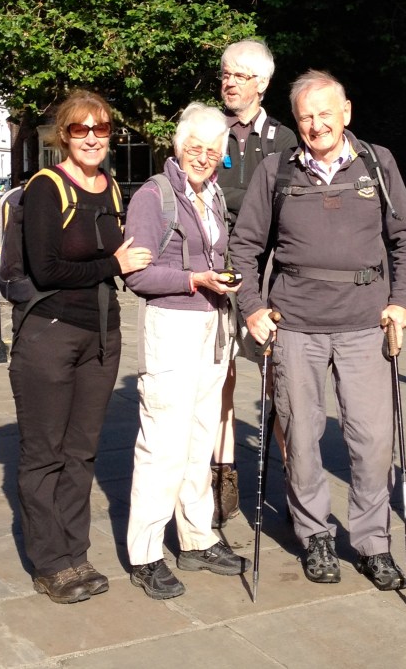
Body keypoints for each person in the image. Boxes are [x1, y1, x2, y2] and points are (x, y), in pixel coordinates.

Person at [230, 69, 406, 590]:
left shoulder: (377, 163)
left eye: (325, 113)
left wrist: (401, 303)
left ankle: (372, 542)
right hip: (296, 327)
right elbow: (244, 248)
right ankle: (315, 535)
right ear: (297, 122)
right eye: (306, 116)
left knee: (371, 439)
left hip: (365, 325)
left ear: (347, 113)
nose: (316, 125)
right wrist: (252, 308)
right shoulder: (277, 171)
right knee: (302, 436)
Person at [8, 90, 152, 604]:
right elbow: (47, 269)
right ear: (62, 135)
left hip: (101, 335)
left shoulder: (111, 187)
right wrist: (117, 265)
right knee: (44, 453)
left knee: (81, 452)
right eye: (80, 129)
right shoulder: (46, 188)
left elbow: (125, 254)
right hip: (50, 332)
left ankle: (77, 553)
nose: (92, 137)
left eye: (102, 128)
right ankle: (50, 562)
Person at [123, 102, 252, 600]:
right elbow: (137, 274)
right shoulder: (154, 196)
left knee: (202, 438)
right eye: (195, 147)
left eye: (212, 149)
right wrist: (193, 279)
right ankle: (146, 552)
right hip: (172, 325)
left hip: (212, 326)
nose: (203, 156)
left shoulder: (212, 194)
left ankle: (197, 538)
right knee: (163, 444)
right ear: (178, 147)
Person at [212, 38, 297, 528]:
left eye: (241, 74)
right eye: (226, 72)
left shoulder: (284, 141)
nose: (230, 81)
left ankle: (294, 480)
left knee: (279, 385)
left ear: (263, 84)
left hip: (265, 283)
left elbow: (285, 209)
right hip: (211, 278)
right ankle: (223, 481)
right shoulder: (207, 131)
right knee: (219, 381)